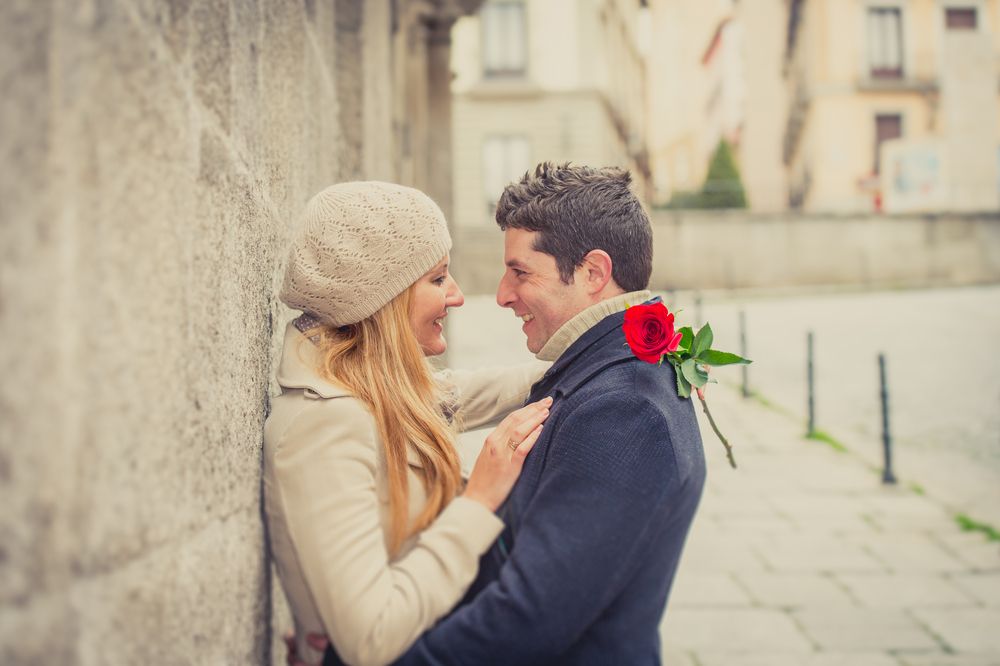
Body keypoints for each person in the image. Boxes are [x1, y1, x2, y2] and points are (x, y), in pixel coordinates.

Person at [296, 163, 707, 665]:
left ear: (593, 273)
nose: (501, 295)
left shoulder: (625, 410)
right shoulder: (611, 374)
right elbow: (450, 395)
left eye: (520, 272)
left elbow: (526, 619)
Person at [264, 181, 551, 666]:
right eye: (438, 279)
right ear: (383, 298)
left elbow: (489, 387)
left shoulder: (380, 390)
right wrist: (480, 500)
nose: (457, 296)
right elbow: (371, 637)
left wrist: (614, 347)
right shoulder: (326, 425)